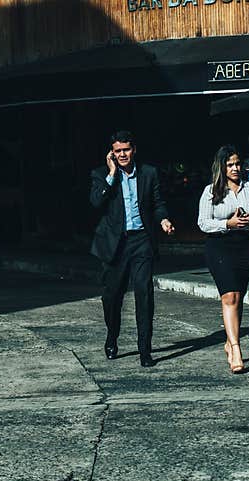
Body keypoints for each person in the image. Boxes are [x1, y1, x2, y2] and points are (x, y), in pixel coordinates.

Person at [90, 130, 175, 368]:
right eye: (117, 151)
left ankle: (145, 350)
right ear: (112, 153)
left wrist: (163, 219)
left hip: (141, 241)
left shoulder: (148, 173)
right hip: (115, 246)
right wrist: (111, 174)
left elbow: (158, 203)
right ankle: (112, 336)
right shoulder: (101, 174)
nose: (122, 154)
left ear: (133, 150)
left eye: (126, 150)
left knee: (144, 293)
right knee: (112, 297)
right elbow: (96, 202)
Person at [197, 145, 249, 374]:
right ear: (222, 167)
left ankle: (230, 339)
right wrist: (228, 223)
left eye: (238, 164)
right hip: (219, 246)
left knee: (238, 296)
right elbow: (203, 223)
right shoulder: (211, 191)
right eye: (230, 165)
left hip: (244, 246)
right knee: (228, 296)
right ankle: (236, 348)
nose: (235, 168)